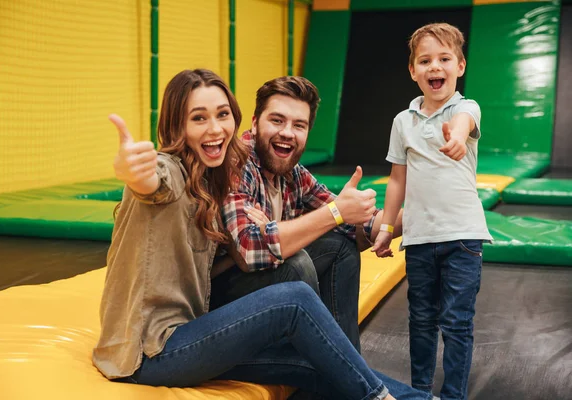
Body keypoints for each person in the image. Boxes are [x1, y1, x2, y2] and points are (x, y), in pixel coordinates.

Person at [92, 68, 432, 400]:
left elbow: (358, 225)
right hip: (150, 351)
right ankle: (374, 395)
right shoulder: (177, 172)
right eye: (198, 118)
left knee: (319, 356)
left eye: (222, 115)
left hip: (192, 330)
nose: (214, 128)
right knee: (294, 295)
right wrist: (134, 173)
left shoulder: (214, 177)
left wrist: (429, 215)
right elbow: (154, 184)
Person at [214, 76, 404, 355]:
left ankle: (346, 362)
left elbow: (359, 227)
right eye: (277, 121)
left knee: (340, 246)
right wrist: (336, 213)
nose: (288, 133)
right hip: (217, 305)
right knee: (297, 263)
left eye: (298, 125)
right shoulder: (237, 162)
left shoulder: (292, 173)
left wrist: (424, 216)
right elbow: (249, 251)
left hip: (259, 287)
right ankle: (322, 361)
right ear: (255, 124)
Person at [371, 23, 492, 400]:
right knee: (421, 320)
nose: (434, 67)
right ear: (413, 71)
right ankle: (421, 391)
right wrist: (386, 227)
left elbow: (463, 123)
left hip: (463, 238)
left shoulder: (466, 108)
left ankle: (453, 394)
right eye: (425, 61)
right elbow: (396, 181)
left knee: (456, 322)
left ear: (460, 66)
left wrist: (456, 137)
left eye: (443, 59)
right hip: (420, 238)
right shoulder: (402, 121)